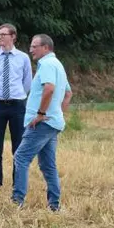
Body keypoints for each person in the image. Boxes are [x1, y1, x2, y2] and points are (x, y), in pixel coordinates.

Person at [11, 34, 72, 211]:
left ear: (46, 47)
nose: (31, 49)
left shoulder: (46, 64)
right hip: (52, 123)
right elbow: (68, 93)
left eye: (34, 46)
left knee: (21, 157)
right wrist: (57, 112)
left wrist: (41, 113)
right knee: (47, 164)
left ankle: (17, 200)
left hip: (42, 123)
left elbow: (49, 88)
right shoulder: (58, 65)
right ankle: (54, 204)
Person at [0, 23, 32, 188]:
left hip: (17, 106)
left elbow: (27, 82)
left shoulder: (23, 58)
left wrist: (18, 96)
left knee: (18, 146)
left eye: (3, 34)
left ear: (13, 37)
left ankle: (16, 183)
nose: (0, 37)